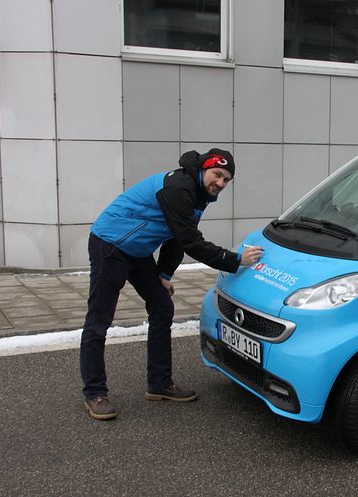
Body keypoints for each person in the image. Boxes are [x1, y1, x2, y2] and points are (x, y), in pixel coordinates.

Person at [79, 148, 263, 421]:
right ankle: (95, 393)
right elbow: (190, 240)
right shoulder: (179, 188)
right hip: (110, 245)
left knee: (162, 307)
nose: (221, 184)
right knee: (99, 319)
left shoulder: (200, 195)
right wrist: (235, 260)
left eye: (226, 180)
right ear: (203, 169)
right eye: (217, 175)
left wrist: (164, 276)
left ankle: (160, 383)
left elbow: (176, 240)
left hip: (137, 252)